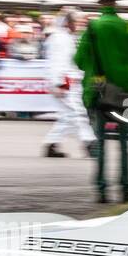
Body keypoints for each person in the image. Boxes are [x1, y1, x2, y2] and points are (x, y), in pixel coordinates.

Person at [75, 0, 128, 203]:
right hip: (125, 90)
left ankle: (101, 189)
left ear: (101, 4)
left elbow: (79, 60)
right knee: (125, 143)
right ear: (115, 4)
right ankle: (126, 188)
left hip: (99, 90)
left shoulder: (93, 27)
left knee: (101, 140)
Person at [43, 10, 96, 159]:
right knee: (78, 113)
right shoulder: (61, 38)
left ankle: (51, 144)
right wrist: (59, 83)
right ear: (68, 23)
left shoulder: (65, 37)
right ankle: (90, 143)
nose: (80, 24)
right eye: (77, 21)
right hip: (65, 82)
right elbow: (57, 62)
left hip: (68, 81)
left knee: (67, 115)